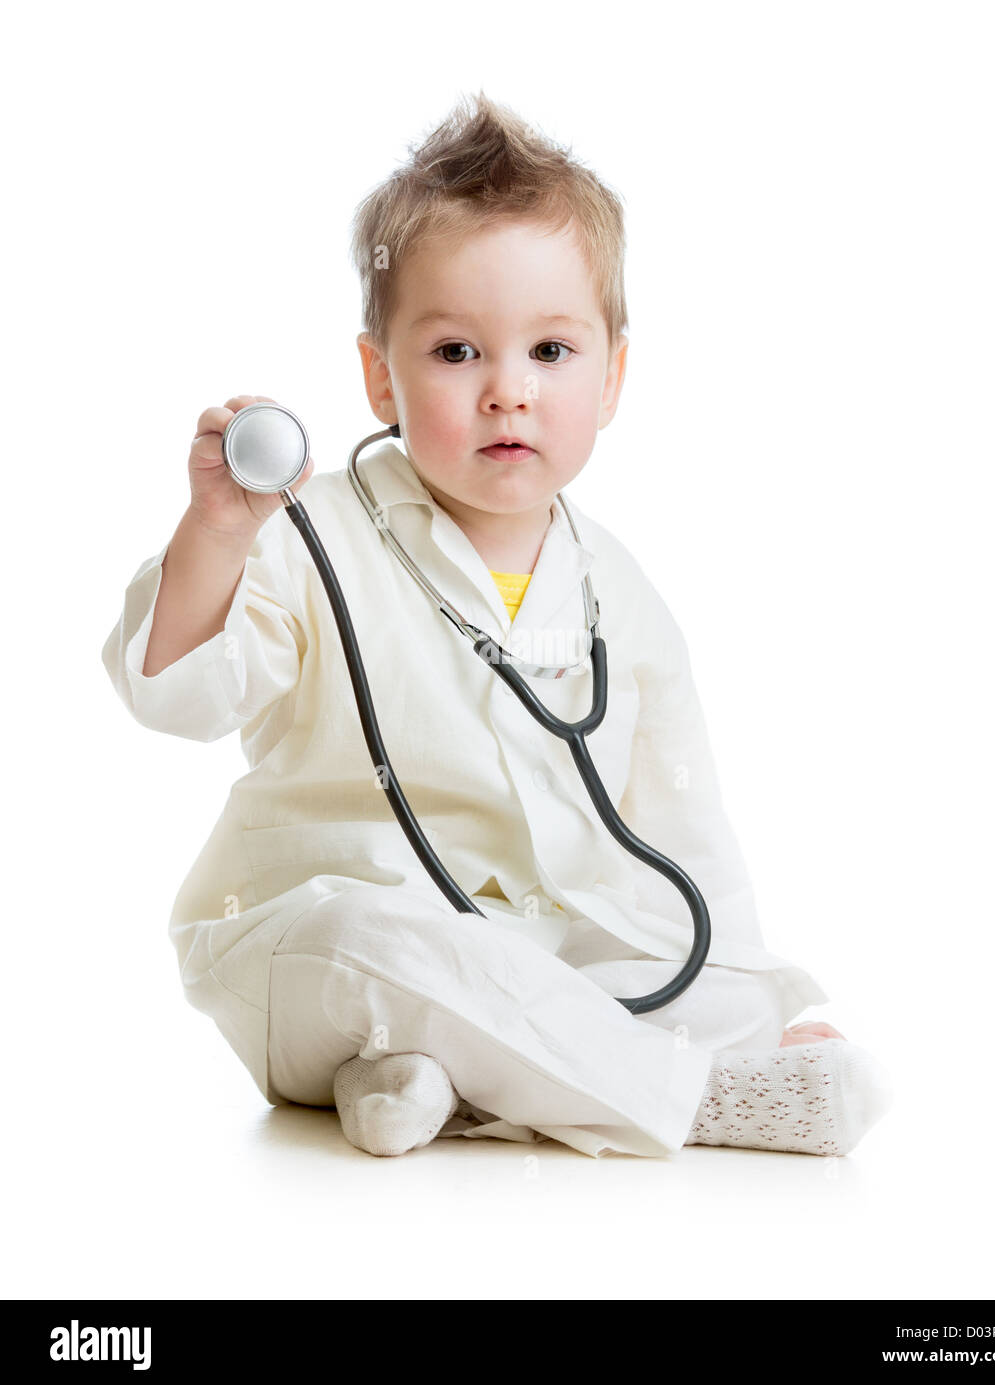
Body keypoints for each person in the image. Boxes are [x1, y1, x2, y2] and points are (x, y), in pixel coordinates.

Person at [101, 91, 893, 1160]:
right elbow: (178, 693)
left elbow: (683, 840)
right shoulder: (311, 531)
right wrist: (216, 529)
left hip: (533, 962)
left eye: (551, 353)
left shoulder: (617, 591)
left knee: (653, 977)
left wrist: (752, 989)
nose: (507, 394)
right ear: (380, 373)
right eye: (456, 353)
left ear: (612, 376)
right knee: (379, 944)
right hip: (322, 944)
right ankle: (701, 1102)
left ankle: (434, 1085)